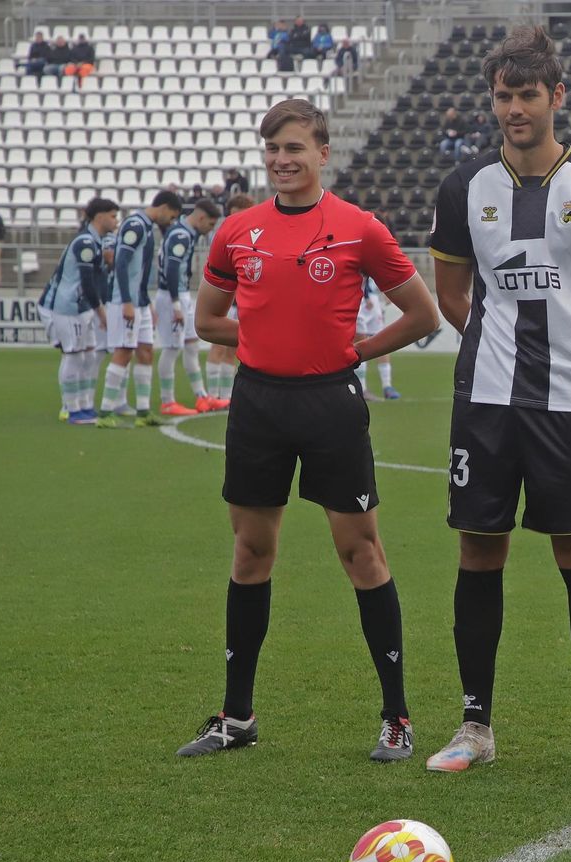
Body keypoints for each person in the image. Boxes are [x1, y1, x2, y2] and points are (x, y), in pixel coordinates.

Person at [177, 99, 440, 762]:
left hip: (331, 403)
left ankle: (397, 717)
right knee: (250, 554)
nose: (282, 160)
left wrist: (357, 350)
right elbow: (209, 320)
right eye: (273, 149)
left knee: (362, 555)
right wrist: (266, 335)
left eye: (295, 148)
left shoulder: (358, 229)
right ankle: (237, 715)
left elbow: (422, 313)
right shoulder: (237, 231)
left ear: (323, 153)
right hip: (260, 404)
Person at [425, 26, 571, 776]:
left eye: (528, 95)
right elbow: (453, 293)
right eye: (503, 96)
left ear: (557, 97)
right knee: (478, 548)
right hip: (485, 401)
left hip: (567, 403)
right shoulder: (463, 186)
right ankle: (474, 726)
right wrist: (496, 343)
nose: (514, 108)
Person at [98, 190, 184, 426]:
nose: (172, 222)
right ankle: (105, 412)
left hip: (140, 301)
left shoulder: (146, 226)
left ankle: (143, 412)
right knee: (124, 351)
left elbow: (140, 271)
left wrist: (146, 303)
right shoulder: (136, 225)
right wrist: (127, 301)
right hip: (125, 301)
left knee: (146, 351)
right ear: (164, 207)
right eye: (173, 216)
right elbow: (121, 262)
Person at [39, 197, 117, 425]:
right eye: (112, 216)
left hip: (81, 306)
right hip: (65, 306)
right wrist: (101, 311)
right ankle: (72, 409)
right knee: (73, 355)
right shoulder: (85, 242)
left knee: (88, 354)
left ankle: (84, 405)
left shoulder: (95, 241)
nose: (115, 221)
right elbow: (86, 280)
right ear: (99, 216)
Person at [156, 198, 223, 415]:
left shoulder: (183, 233)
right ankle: (167, 401)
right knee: (172, 348)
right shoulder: (181, 235)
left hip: (181, 295)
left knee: (192, 344)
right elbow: (172, 269)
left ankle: (202, 396)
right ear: (201, 217)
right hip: (171, 297)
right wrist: (176, 303)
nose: (210, 229)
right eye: (211, 224)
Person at [204, 192, 255, 402]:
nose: (238, 220)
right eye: (233, 215)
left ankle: (225, 396)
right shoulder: (224, 237)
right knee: (217, 346)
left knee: (233, 349)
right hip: (227, 299)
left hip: (245, 302)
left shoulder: (260, 236)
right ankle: (211, 395)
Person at [354, 274, 400, 400]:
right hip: (359, 298)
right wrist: (367, 295)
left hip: (373, 301)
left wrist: (388, 292)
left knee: (380, 340)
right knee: (360, 342)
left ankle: (387, 386)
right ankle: (362, 388)